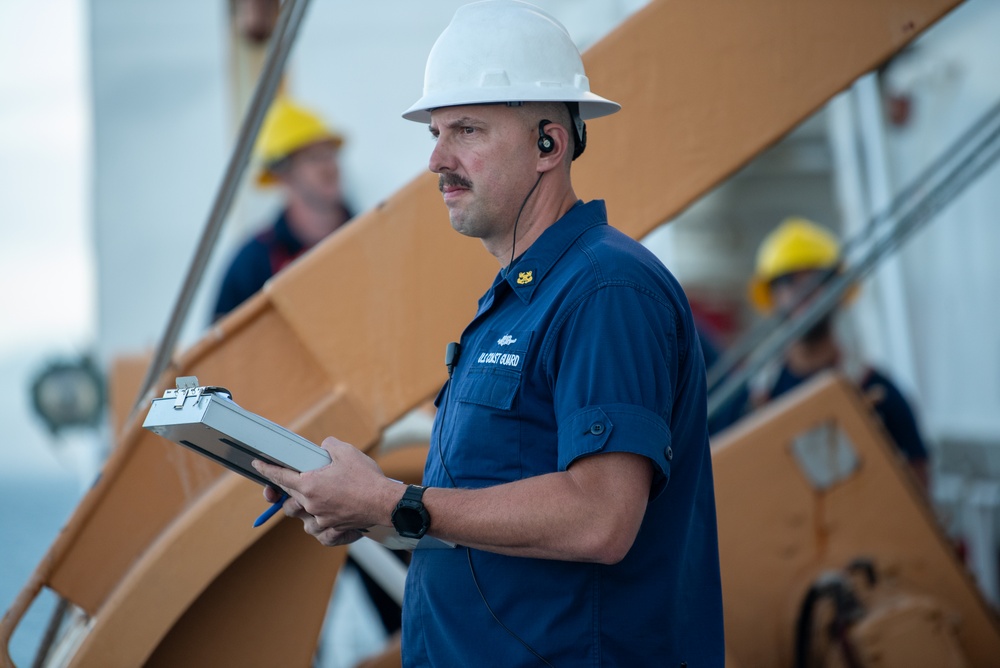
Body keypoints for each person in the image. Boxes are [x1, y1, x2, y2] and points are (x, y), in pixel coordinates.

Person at [254, 2, 725, 665]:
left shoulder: (605, 291)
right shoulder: (520, 299)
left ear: (549, 145)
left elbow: (600, 517)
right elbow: (484, 510)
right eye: (436, 132)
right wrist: (357, 502)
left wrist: (393, 502)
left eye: (467, 130)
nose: (437, 160)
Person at [747, 216, 930, 491]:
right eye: (787, 282)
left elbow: (919, 488)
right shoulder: (757, 403)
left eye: (815, 280)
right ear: (772, 298)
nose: (803, 294)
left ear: (839, 290)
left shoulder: (879, 392)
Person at [212, 97, 352, 320]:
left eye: (330, 153)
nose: (329, 167)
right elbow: (221, 346)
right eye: (313, 157)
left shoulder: (369, 235)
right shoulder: (252, 264)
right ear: (283, 175)